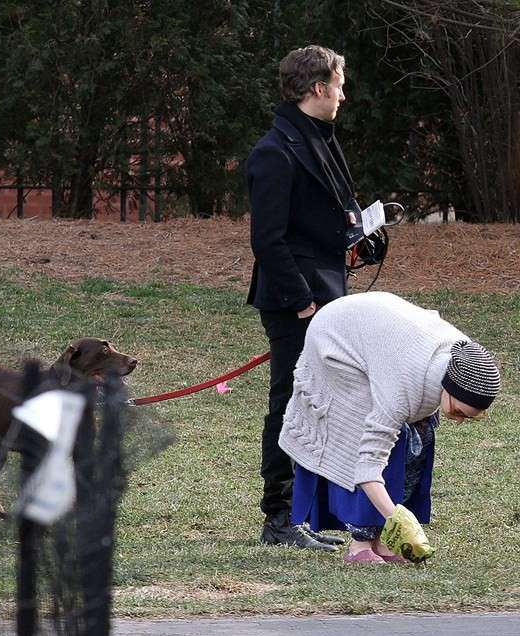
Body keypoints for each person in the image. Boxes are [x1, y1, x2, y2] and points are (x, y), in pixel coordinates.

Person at [279, 291, 502, 563]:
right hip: (336, 337)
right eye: (458, 411)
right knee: (361, 435)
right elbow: (367, 466)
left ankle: (384, 542)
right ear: (450, 388)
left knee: (416, 439)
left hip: (378, 336)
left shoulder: (460, 360)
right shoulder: (402, 389)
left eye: (469, 417)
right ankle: (359, 546)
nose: (458, 420)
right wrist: (397, 518)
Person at [246, 45, 355, 549]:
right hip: (296, 301)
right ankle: (280, 518)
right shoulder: (275, 150)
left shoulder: (320, 138)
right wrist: (301, 301)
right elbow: (268, 239)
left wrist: (359, 237)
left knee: (322, 402)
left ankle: (312, 514)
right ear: (317, 88)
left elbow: (323, 216)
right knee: (290, 403)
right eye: (338, 83)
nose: (342, 93)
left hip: (328, 293)